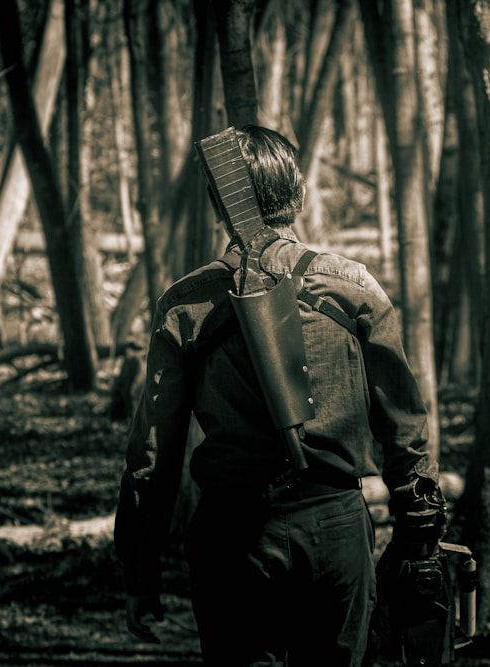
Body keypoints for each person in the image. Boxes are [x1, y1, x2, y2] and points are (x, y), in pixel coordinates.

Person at [113, 125, 441, 667]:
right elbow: (404, 427)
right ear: (300, 194)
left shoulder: (186, 303)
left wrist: (139, 572)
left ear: (220, 203)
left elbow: (152, 457)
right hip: (335, 529)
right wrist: (420, 537)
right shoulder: (355, 285)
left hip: (231, 541)